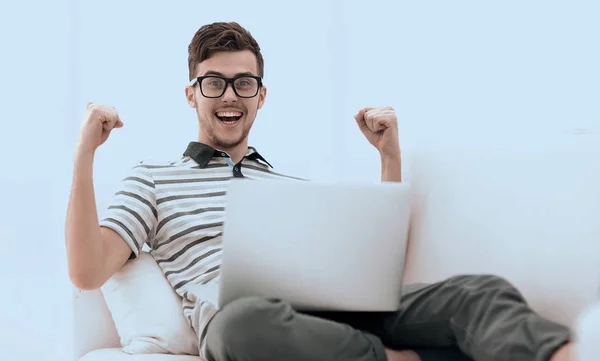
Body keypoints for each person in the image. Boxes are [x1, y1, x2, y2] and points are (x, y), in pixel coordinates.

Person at [65, 22, 575, 361]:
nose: (229, 95)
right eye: (214, 83)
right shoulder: (154, 179)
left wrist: (389, 158)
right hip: (253, 327)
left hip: (336, 314)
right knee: (240, 325)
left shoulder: (290, 189)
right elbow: (86, 271)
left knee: (476, 293)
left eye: (244, 83)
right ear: (191, 93)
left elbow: (374, 271)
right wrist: (85, 153)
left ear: (261, 97)